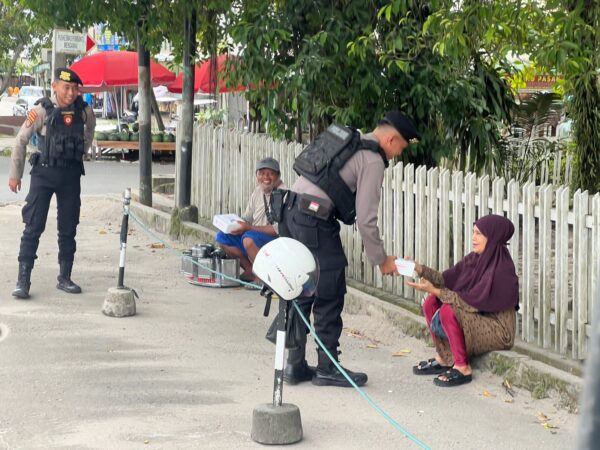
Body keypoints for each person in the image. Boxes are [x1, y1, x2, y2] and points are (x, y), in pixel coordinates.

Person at [277, 111, 420, 387]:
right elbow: (366, 220)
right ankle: (328, 367)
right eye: (400, 148)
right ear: (391, 139)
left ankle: (294, 365)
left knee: (303, 284)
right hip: (313, 218)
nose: (396, 155)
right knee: (330, 288)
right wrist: (382, 260)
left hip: (291, 210)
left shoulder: (350, 141)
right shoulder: (372, 159)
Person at [8, 67, 96, 299]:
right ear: (55, 86)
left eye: (75, 89)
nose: (71, 93)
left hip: (70, 176)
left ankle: (65, 277)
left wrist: (83, 150)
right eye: (66, 88)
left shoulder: (85, 111)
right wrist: (15, 174)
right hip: (44, 175)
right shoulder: (40, 111)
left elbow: (90, 130)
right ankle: (23, 280)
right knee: (33, 227)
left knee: (68, 228)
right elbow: (20, 140)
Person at [407, 214, 519, 387]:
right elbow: (444, 279)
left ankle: (462, 367)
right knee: (431, 302)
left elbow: (469, 302)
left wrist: (435, 290)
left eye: (479, 234)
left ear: (493, 237)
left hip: (498, 330)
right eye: (473, 232)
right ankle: (445, 357)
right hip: (479, 318)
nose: (473, 238)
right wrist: (418, 268)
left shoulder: (502, 269)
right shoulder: (475, 259)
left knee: (448, 309)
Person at [215, 157, 285, 285]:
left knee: (248, 239)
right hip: (254, 234)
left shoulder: (285, 194)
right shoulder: (257, 191)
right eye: (262, 173)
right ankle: (250, 271)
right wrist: (231, 223)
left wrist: (248, 228)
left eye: (270, 173)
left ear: (278, 175)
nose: (266, 177)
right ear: (256, 175)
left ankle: (263, 277)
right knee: (222, 236)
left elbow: (278, 229)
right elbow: (247, 217)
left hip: (276, 241)